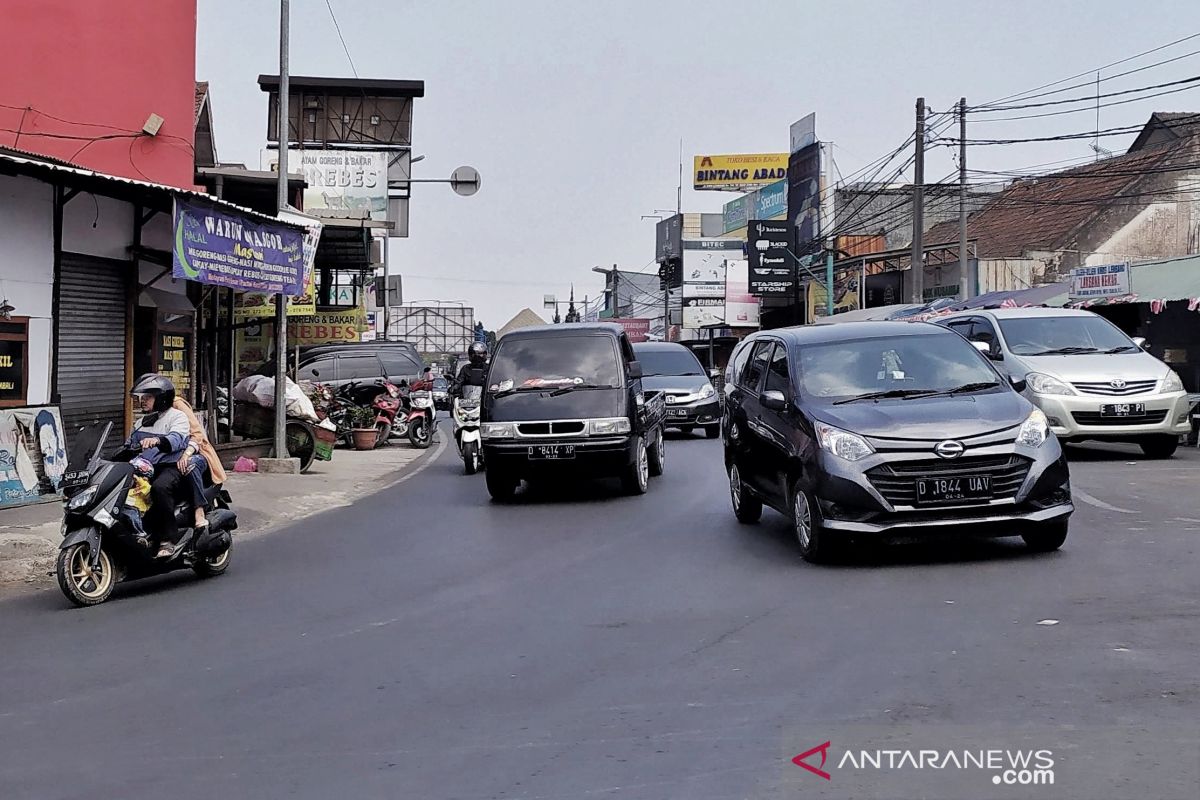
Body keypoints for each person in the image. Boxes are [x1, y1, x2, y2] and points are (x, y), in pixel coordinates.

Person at [127, 374, 191, 558]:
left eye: (147, 397)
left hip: (170, 466)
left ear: (162, 398)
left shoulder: (177, 417)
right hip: (144, 468)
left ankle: (168, 539)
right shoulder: (142, 422)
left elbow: (177, 440)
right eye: (141, 398)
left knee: (159, 488)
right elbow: (129, 445)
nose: (142, 402)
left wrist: (157, 440)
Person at [172, 397, 227, 531]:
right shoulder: (150, 415)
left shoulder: (177, 404)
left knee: (190, 465)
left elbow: (197, 435)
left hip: (197, 453)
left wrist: (186, 454)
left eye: (148, 397)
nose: (143, 401)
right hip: (170, 457)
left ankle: (199, 512)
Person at [121, 456, 155, 545]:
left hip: (136, 509)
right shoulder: (129, 488)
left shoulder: (145, 487)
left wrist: (138, 480)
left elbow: (148, 490)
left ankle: (140, 533)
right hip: (124, 506)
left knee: (132, 516)